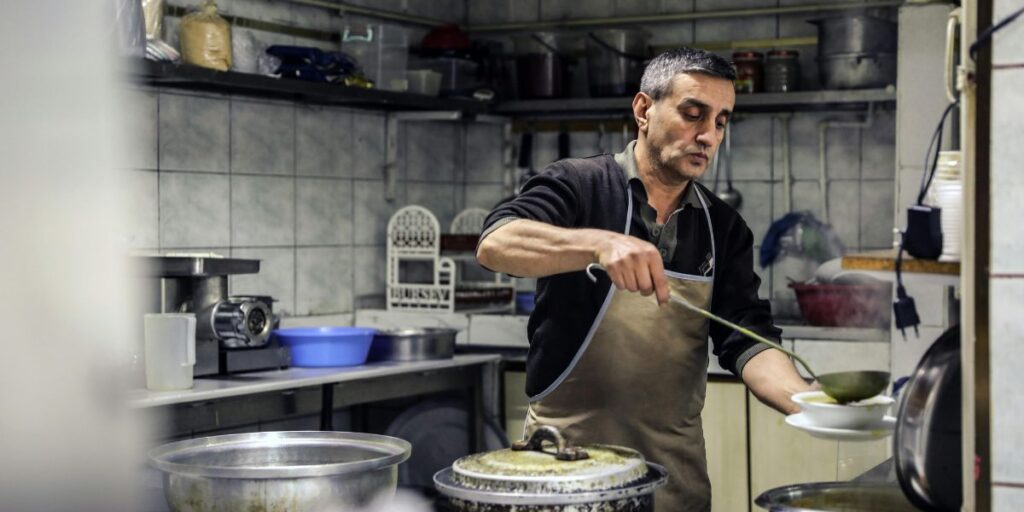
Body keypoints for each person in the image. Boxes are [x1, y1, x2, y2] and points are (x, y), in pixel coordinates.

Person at [476, 48, 813, 512]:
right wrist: (598, 244)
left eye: (720, 122)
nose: (708, 135)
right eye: (693, 114)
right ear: (643, 110)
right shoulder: (579, 185)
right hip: (565, 469)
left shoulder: (723, 226)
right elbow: (496, 242)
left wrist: (807, 401)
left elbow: (747, 337)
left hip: (674, 478)